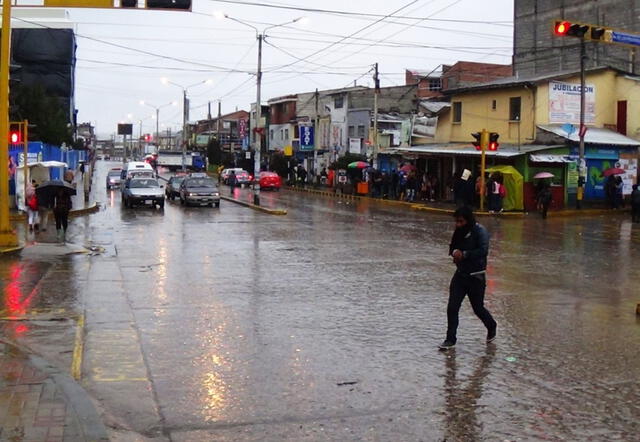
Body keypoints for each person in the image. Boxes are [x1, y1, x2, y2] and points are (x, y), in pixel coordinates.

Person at [440, 206, 497, 350]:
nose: (458, 224)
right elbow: (452, 247)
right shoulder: (458, 232)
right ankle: (450, 339)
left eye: (461, 221)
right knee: (452, 308)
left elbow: (483, 251)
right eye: (456, 222)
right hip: (460, 275)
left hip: (476, 277)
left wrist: (464, 254)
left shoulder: (480, 232)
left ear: (468, 220)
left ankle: (491, 325)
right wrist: (454, 253)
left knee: (478, 308)